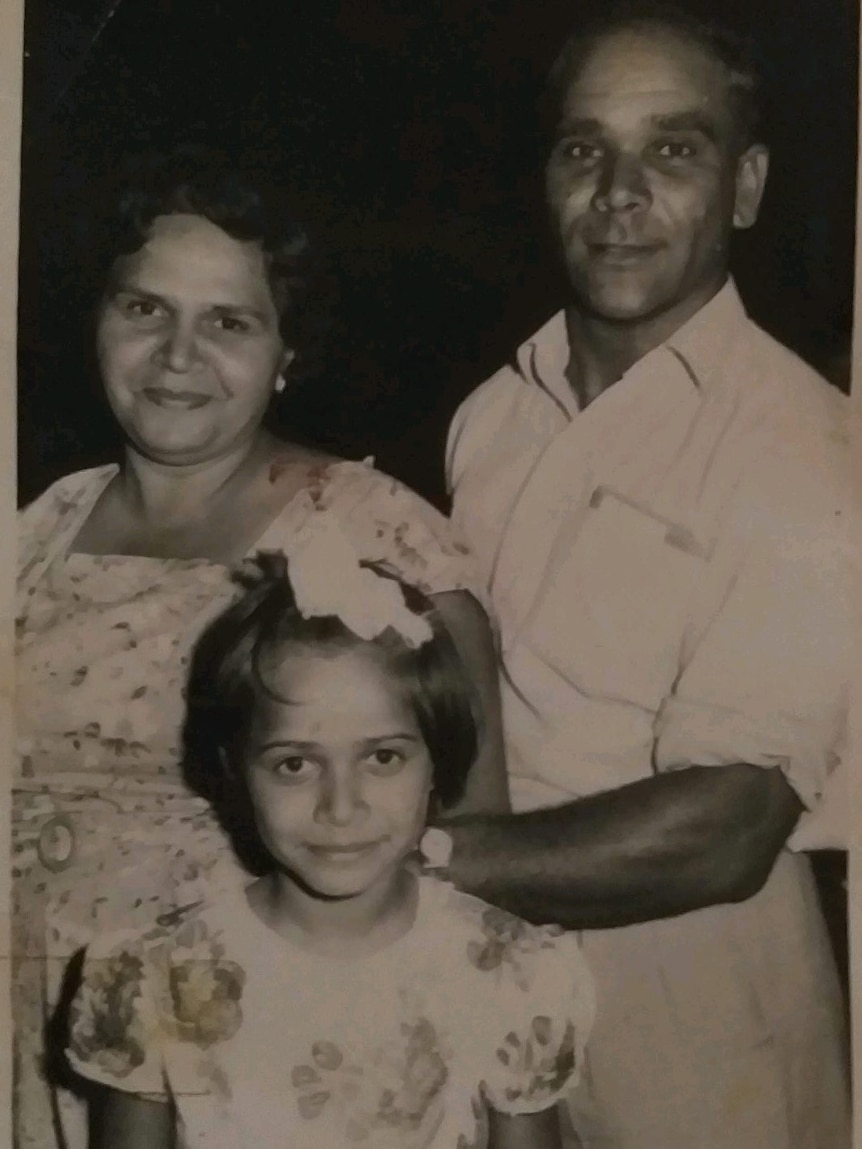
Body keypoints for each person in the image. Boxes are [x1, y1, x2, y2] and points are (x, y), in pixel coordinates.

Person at [14, 146, 507, 1149]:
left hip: (247, 1075)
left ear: (285, 353)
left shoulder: (370, 538)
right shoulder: (40, 527)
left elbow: (472, 854)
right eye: (143, 309)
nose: (177, 356)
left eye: (228, 323)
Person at [442, 5, 858, 1148]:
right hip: (489, 999)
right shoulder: (493, 414)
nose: (619, 192)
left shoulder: (802, 444)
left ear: (746, 185)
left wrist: (397, 856)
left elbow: (727, 829)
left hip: (699, 1025)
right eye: (585, 149)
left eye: (673, 149)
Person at [63, 543, 594, 1149]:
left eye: (383, 757)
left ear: (436, 763)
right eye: (295, 764)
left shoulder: (511, 973)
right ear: (235, 770)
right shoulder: (154, 976)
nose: (341, 807)